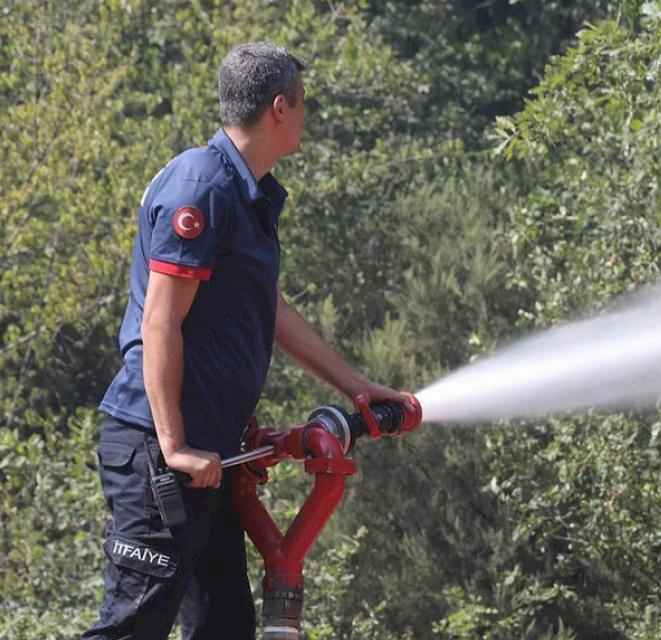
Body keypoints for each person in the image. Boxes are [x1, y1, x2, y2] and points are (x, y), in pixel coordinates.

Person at [85, 42, 414, 639]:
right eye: (305, 104)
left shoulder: (245, 193)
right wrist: (176, 445)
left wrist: (355, 386)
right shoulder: (202, 188)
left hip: (205, 456)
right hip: (160, 452)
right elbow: (159, 323)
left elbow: (269, 308)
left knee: (225, 627)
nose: (308, 116)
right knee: (131, 627)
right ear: (281, 107)